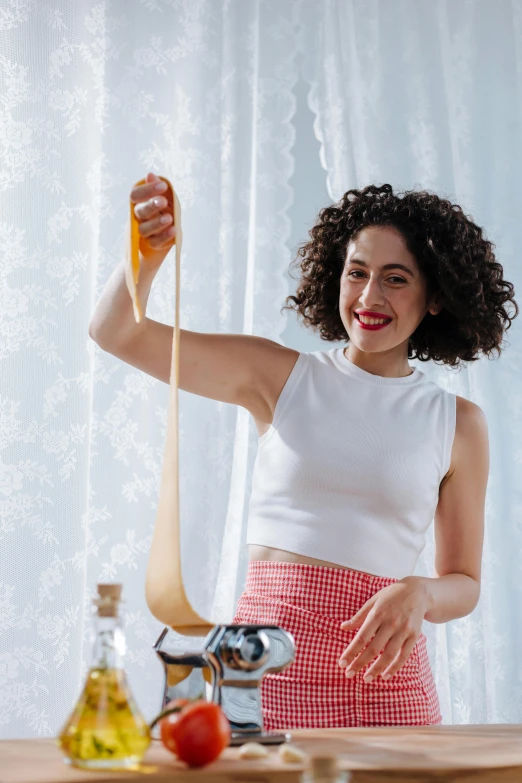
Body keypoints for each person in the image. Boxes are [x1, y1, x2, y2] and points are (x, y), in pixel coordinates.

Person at [89, 172, 517, 729]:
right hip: (259, 676)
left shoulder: (458, 423)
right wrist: (144, 259)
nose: (369, 296)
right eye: (357, 273)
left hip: (382, 684)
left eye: (396, 278)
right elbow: (114, 332)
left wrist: (420, 593)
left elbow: (464, 582)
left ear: (436, 297)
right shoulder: (279, 377)